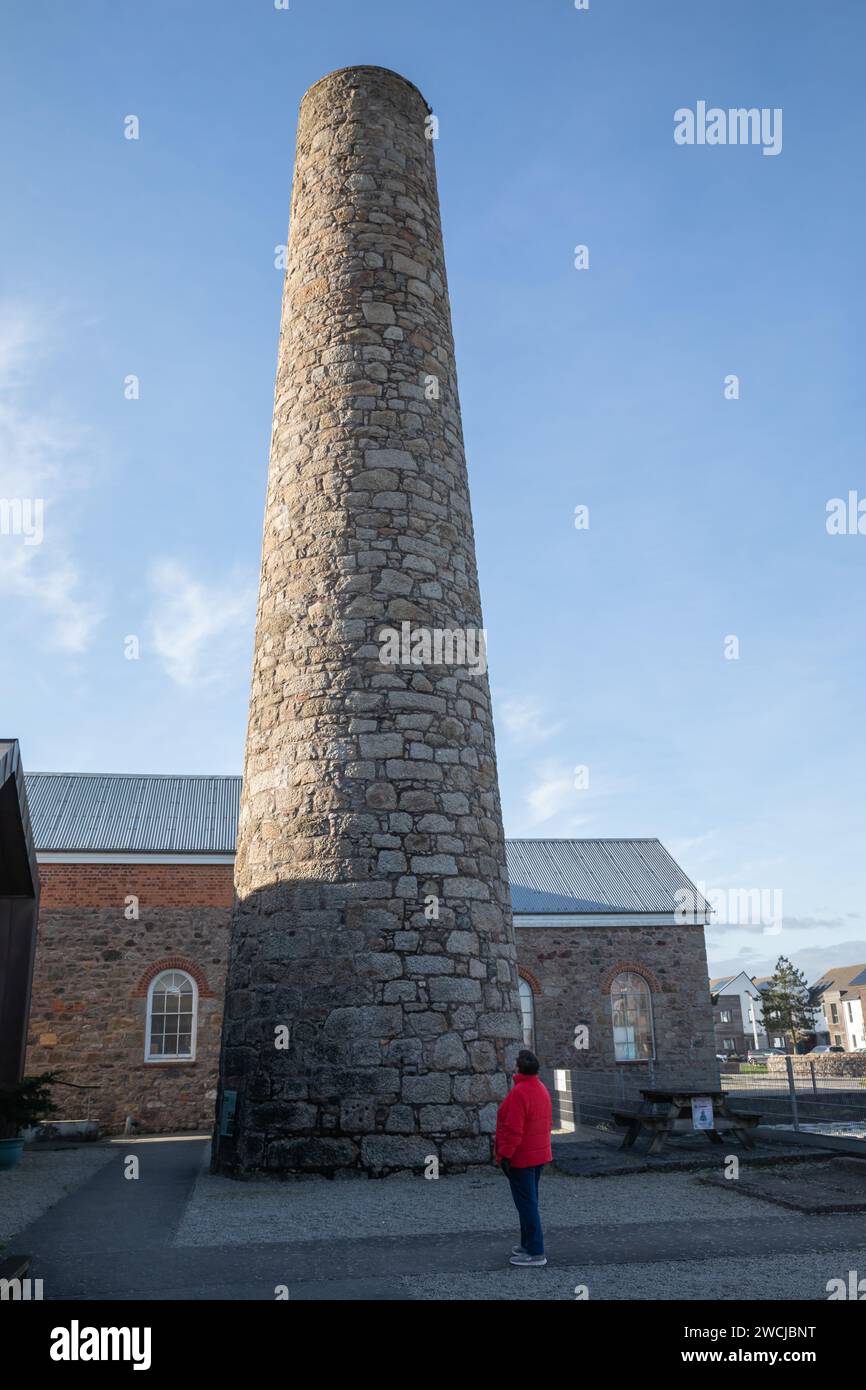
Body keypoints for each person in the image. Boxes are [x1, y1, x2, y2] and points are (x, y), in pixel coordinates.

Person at [494, 1048, 553, 1267]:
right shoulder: (540, 1088)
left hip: (522, 1157)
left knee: (526, 1204)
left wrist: (504, 1156)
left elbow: (513, 1130)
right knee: (529, 1202)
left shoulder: (519, 1093)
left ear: (519, 1068)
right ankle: (527, 1244)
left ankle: (536, 1251)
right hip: (538, 1154)